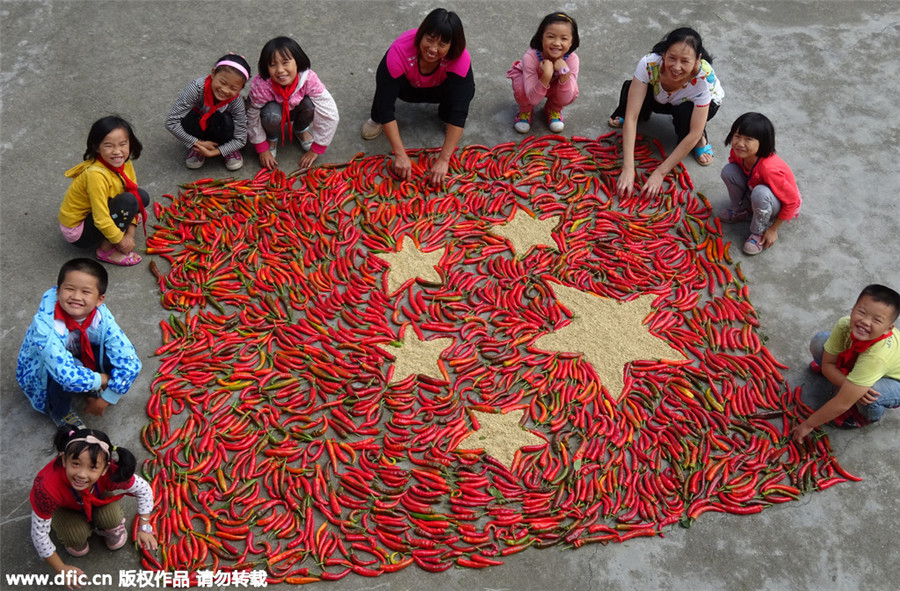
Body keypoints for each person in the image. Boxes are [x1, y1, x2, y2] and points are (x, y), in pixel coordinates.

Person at [16, 259, 142, 429]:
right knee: (65, 374)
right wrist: (102, 379)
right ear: (58, 290)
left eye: (86, 292)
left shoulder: (101, 318)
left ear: (99, 299)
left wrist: (106, 399)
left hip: (80, 353)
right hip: (47, 370)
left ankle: (88, 385)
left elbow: (130, 362)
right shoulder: (45, 326)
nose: (76, 297)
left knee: (117, 353)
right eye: (69, 289)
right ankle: (59, 411)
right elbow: (65, 374)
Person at [361, 8, 475, 186]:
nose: (433, 49)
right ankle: (376, 119)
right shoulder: (399, 51)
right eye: (429, 40)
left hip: (439, 88)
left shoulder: (459, 59)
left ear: (452, 46)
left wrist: (444, 159)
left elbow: (460, 112)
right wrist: (400, 154)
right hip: (406, 88)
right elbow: (386, 104)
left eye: (442, 45)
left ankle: (445, 115)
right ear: (421, 35)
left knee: (463, 95)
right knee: (384, 96)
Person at [30, 426, 157, 587]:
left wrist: (144, 526)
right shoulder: (47, 488)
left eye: (93, 467)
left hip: (96, 497)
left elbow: (144, 489)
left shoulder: (112, 473)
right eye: (75, 463)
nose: (82, 474)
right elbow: (39, 534)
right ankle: (74, 536)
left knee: (112, 519)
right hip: (65, 506)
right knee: (75, 537)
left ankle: (109, 528)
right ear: (63, 459)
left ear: (105, 469)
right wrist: (61, 568)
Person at [609, 27, 724, 199]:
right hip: (663, 96)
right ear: (664, 54)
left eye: (685, 61)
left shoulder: (703, 79)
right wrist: (628, 168)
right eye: (672, 58)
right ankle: (643, 110)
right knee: (633, 90)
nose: (676, 67)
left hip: (695, 104)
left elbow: (692, 134)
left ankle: (703, 138)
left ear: (697, 59)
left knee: (688, 121)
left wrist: (660, 173)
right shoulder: (650, 63)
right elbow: (631, 118)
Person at [792, 284, 900, 441]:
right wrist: (846, 384)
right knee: (819, 342)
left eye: (877, 320)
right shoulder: (844, 324)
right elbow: (827, 364)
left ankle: (868, 416)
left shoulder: (878, 357)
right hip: (867, 363)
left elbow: (842, 403)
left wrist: (808, 424)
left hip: (894, 380)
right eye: (861, 312)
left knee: (870, 395)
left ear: (888, 329)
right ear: (853, 309)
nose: (865, 322)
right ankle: (854, 384)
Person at [59, 116, 151, 266]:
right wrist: (122, 241)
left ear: (130, 143)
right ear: (96, 147)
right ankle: (106, 251)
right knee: (128, 202)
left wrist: (130, 233)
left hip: (95, 213)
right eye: (109, 146)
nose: (117, 152)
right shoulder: (95, 175)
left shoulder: (124, 163)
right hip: (79, 231)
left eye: (123, 144)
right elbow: (101, 219)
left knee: (140, 197)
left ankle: (118, 229)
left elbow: (134, 195)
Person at [247, 36, 339, 171]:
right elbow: (251, 114)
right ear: (266, 67)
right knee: (271, 115)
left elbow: (329, 111)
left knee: (312, 105)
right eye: (273, 65)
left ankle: (300, 128)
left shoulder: (308, 79)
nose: (279, 70)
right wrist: (261, 147)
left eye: (285, 62)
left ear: (298, 61)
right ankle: (271, 136)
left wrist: (318, 147)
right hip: (274, 112)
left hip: (298, 109)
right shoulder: (262, 85)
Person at [719, 112, 801, 255]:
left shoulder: (769, 169)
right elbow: (738, 171)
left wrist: (773, 229)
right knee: (729, 171)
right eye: (737, 136)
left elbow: (792, 201)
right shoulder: (738, 152)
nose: (740, 143)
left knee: (760, 193)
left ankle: (758, 231)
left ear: (762, 143)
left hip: (776, 201)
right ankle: (742, 210)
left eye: (748, 139)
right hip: (755, 189)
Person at [165, 53, 251, 171]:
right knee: (189, 116)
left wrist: (215, 152)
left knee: (227, 121)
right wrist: (197, 143)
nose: (225, 90)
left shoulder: (236, 102)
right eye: (223, 82)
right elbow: (171, 122)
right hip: (197, 127)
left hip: (222, 129)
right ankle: (197, 148)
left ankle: (227, 148)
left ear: (241, 88)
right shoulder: (196, 88)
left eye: (234, 88)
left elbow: (241, 139)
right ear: (213, 73)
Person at [507, 12, 580, 134]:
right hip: (530, 86)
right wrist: (546, 76)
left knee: (572, 91)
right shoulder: (530, 57)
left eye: (564, 38)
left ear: (572, 42)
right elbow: (533, 99)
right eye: (551, 36)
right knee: (521, 90)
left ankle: (553, 109)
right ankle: (525, 110)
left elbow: (567, 98)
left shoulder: (572, 60)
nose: (556, 43)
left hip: (554, 84)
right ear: (541, 38)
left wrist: (564, 75)